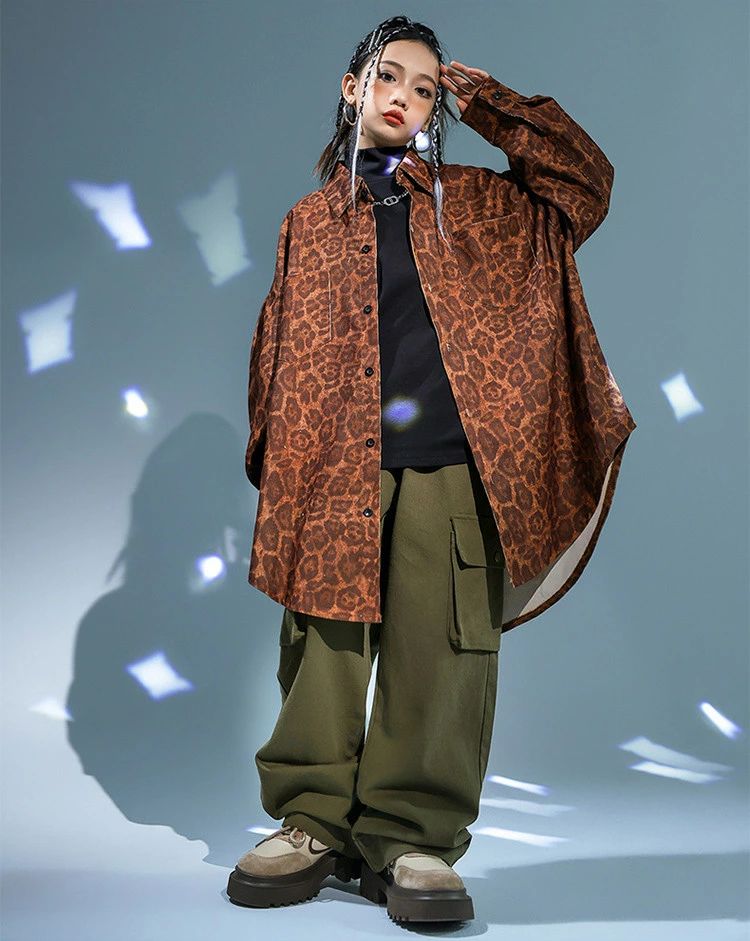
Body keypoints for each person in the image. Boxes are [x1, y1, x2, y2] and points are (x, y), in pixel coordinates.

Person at [226, 14, 636, 924]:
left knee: (444, 653)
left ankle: (412, 836)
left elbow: (585, 184)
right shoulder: (309, 224)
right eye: (388, 77)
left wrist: (483, 99)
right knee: (324, 652)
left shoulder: (480, 204)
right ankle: (311, 823)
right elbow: (273, 353)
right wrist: (282, 470)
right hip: (333, 468)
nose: (404, 97)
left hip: (452, 468)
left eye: (423, 87)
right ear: (351, 89)